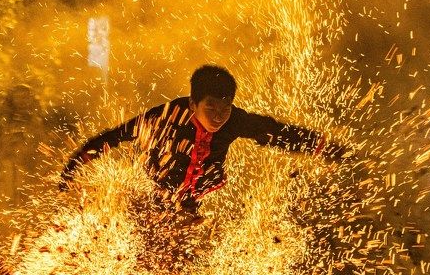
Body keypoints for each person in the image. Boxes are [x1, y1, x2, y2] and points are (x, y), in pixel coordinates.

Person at [60, 65, 349, 220]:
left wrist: (320, 146)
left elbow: (274, 131)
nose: (219, 116)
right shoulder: (167, 115)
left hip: (195, 191)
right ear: (193, 102)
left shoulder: (234, 119)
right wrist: (75, 164)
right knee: (150, 219)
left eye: (225, 107)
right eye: (211, 108)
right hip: (157, 186)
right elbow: (116, 135)